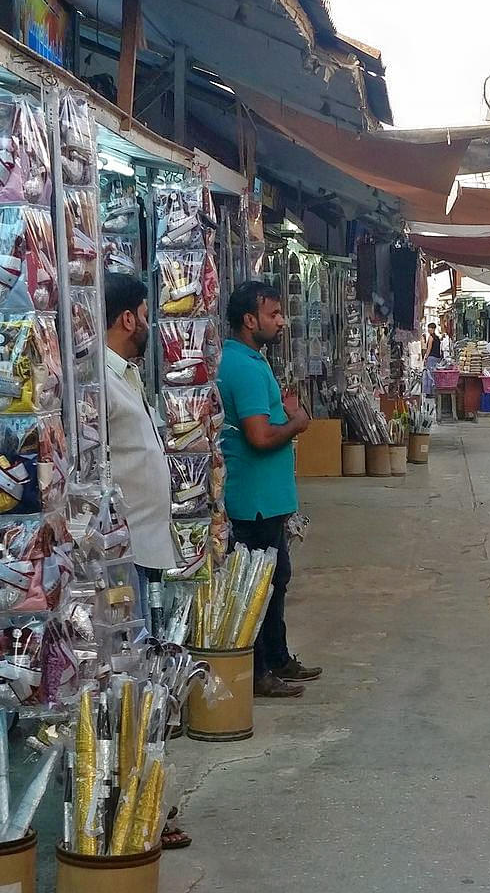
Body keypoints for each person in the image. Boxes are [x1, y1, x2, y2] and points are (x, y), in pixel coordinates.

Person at [102, 274, 190, 850]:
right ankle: (131, 808)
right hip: (121, 559)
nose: (149, 324)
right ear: (129, 318)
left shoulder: (124, 376)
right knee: (130, 686)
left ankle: (146, 800)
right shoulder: (98, 382)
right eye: (142, 313)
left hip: (147, 551)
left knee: (147, 679)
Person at [217, 281, 322, 698]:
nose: (281, 322)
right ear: (249, 320)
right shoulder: (241, 366)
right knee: (259, 586)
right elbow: (259, 437)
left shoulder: (249, 360)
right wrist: (296, 422)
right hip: (253, 499)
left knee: (276, 580)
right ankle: (260, 669)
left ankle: (277, 658)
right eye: (273, 314)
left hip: (266, 497)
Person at [422, 322, 443, 396]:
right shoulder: (437, 338)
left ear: (433, 329)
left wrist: (426, 357)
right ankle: (434, 391)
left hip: (431, 358)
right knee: (434, 375)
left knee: (429, 375)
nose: (428, 330)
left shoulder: (431, 337)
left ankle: (429, 392)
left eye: (429, 328)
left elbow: (429, 349)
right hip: (437, 358)